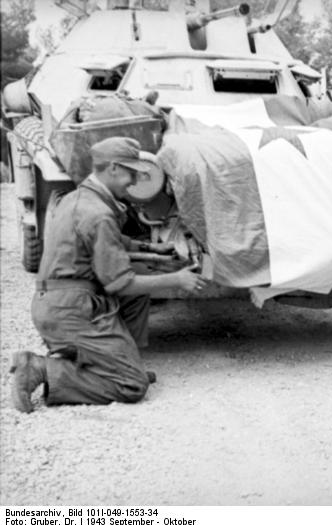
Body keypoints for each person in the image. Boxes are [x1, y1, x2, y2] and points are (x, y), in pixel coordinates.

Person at [10, 137, 209, 413]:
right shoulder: (98, 213)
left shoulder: (79, 198)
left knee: (139, 294)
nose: (134, 182)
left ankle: (122, 361)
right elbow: (121, 282)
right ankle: (42, 369)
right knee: (132, 385)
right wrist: (177, 279)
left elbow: (112, 241)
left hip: (59, 302)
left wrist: (151, 249)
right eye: (131, 173)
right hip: (70, 311)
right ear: (113, 168)